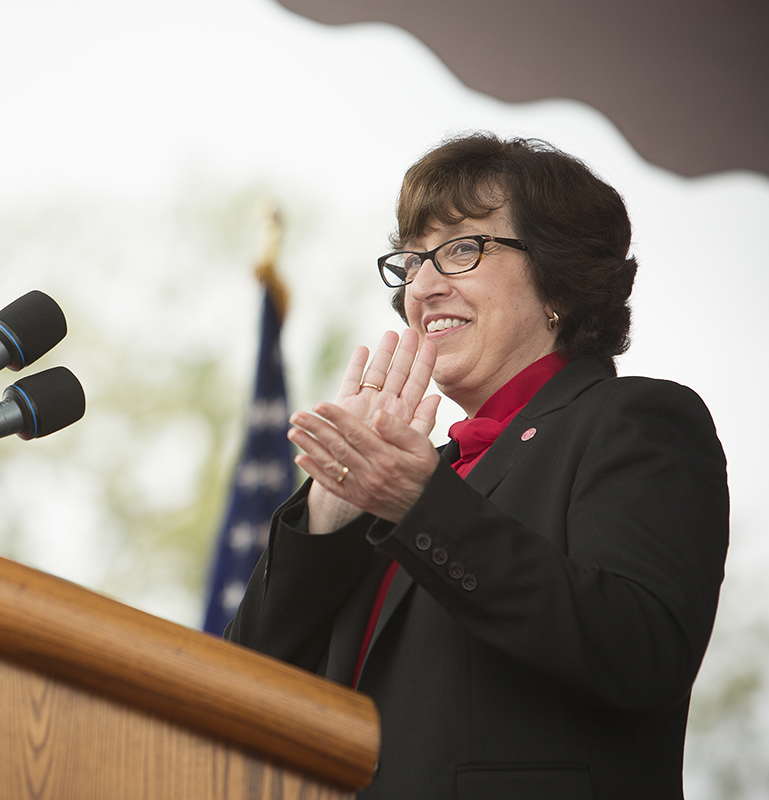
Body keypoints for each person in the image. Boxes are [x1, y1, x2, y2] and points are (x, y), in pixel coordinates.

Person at [224, 133, 728, 799]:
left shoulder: (635, 421)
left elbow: (641, 653)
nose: (423, 286)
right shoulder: (407, 475)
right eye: (411, 261)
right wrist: (332, 511)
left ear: (562, 282)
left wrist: (421, 505)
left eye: (461, 249)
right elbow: (241, 692)